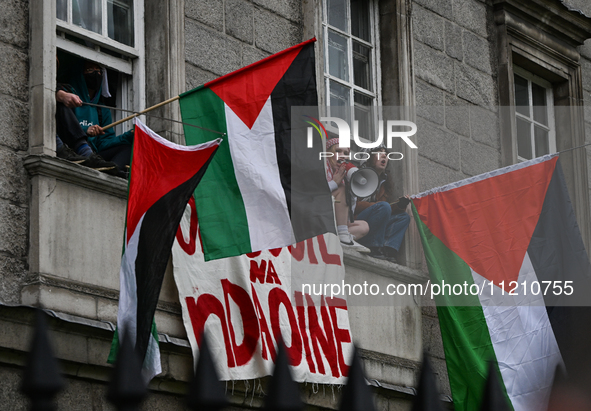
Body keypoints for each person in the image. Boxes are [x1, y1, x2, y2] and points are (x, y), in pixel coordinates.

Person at [65, 59, 134, 172]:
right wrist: (86, 130)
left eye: (98, 71)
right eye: (90, 70)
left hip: (95, 156)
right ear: (80, 74)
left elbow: (104, 143)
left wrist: (128, 136)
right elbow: (63, 129)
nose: (95, 74)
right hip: (74, 152)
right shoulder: (69, 102)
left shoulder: (101, 110)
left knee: (127, 149)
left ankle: (111, 173)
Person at [354, 146, 411, 263]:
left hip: (374, 221)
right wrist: (376, 205)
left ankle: (388, 249)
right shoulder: (358, 175)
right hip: (357, 223)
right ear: (369, 158)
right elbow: (353, 205)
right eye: (379, 153)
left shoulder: (385, 182)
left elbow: (384, 209)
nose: (384, 156)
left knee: (403, 217)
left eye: (385, 154)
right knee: (383, 206)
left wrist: (399, 205)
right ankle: (373, 246)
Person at [325, 138, 370, 252]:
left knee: (363, 226)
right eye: (338, 151)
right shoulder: (322, 168)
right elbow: (313, 194)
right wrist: (334, 184)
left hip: (336, 225)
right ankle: (343, 239)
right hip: (320, 218)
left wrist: (352, 186)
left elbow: (349, 212)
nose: (342, 156)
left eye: (345, 153)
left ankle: (341, 236)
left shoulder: (344, 179)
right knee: (341, 189)